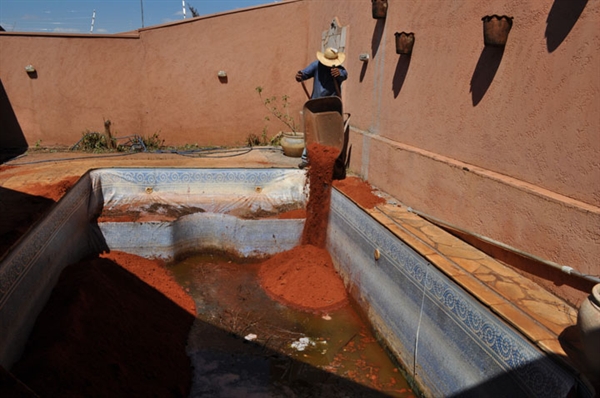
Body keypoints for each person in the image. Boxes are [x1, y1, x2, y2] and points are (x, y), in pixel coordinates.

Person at [295, 47, 348, 168]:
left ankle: (333, 159)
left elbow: (345, 74)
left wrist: (339, 74)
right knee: (312, 131)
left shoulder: (339, 69)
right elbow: (303, 74)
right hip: (316, 104)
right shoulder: (316, 65)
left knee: (332, 133)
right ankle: (306, 157)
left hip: (332, 105)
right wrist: (299, 76)